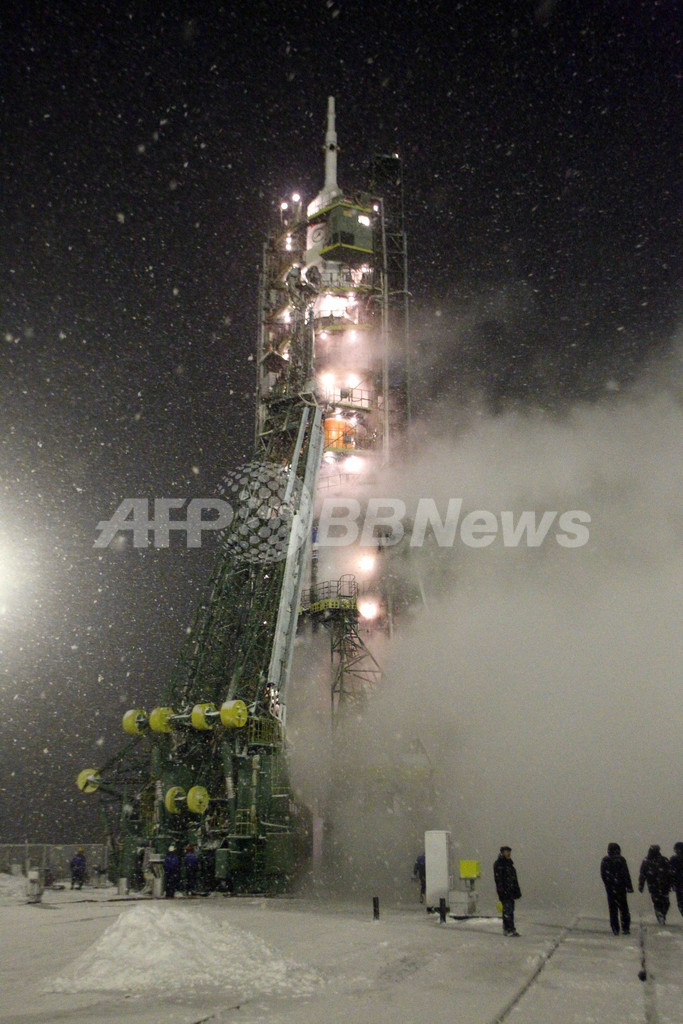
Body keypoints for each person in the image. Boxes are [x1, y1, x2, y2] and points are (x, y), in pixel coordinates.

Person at [600, 842, 633, 935]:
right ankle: (625, 927)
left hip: (611, 889)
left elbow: (603, 875)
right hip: (621, 888)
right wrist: (629, 886)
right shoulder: (621, 860)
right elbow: (626, 874)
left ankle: (615, 928)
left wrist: (608, 884)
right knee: (624, 908)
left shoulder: (605, 860)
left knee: (613, 909)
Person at [638, 845, 671, 924]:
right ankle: (661, 914)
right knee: (664, 902)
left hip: (655, 885)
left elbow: (642, 874)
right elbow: (669, 872)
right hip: (662, 885)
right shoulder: (663, 860)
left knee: (658, 902)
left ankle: (660, 914)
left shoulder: (647, 861)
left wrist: (641, 884)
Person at [493, 845, 522, 936]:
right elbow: (499, 879)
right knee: (507, 910)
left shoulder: (509, 864)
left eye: (509, 852)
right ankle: (508, 929)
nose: (508, 853)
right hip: (505, 891)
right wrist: (502, 891)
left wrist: (516, 890)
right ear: (502, 853)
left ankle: (510, 929)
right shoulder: (500, 864)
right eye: (506, 852)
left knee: (510, 910)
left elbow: (514, 879)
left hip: (510, 891)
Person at [668, 842, 683, 918]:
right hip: (679, 884)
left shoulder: (674, 859)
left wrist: (671, 883)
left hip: (679, 885)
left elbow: (671, 872)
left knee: (680, 902)